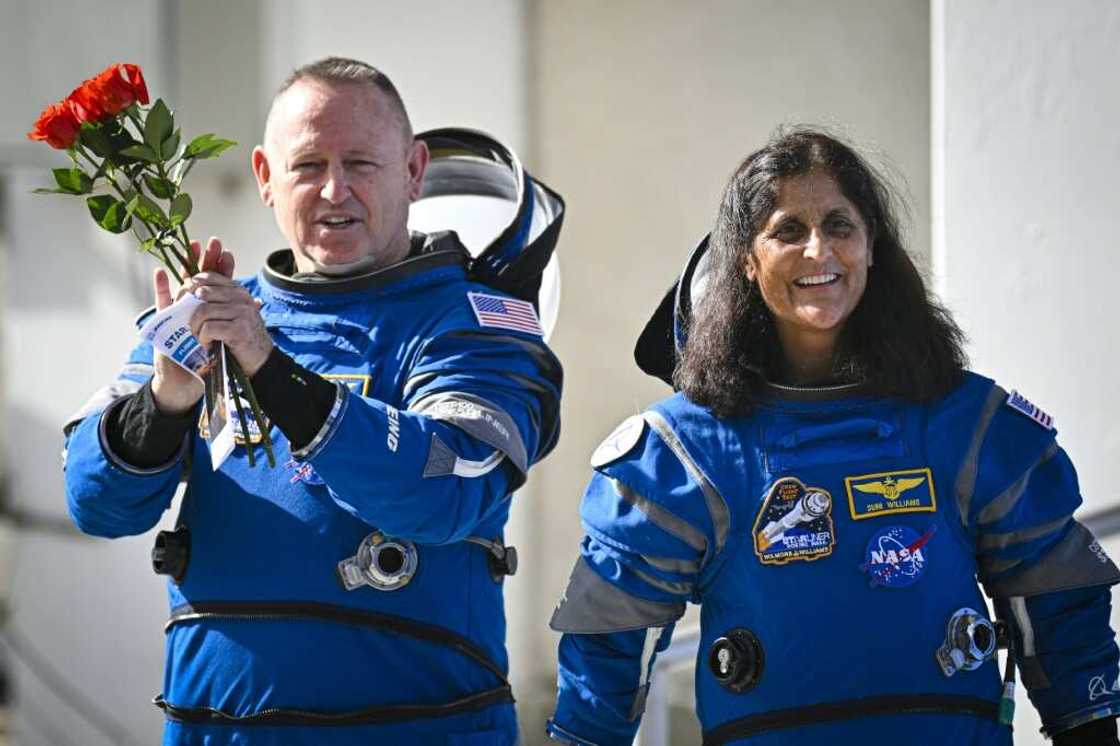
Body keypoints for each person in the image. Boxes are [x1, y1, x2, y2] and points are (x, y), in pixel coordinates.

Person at [546, 129, 1120, 745]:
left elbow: (1063, 616)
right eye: (788, 230)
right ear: (746, 256)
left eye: (839, 226)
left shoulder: (968, 424)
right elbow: (604, 660)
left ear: (871, 245)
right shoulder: (684, 453)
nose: (818, 250)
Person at [63, 57, 562, 745]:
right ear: (265, 178)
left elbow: (449, 484)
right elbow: (94, 501)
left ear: (414, 171)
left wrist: (270, 369)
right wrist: (165, 402)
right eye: (307, 166)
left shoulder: (473, 321)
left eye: (361, 162)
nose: (335, 189)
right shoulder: (211, 314)